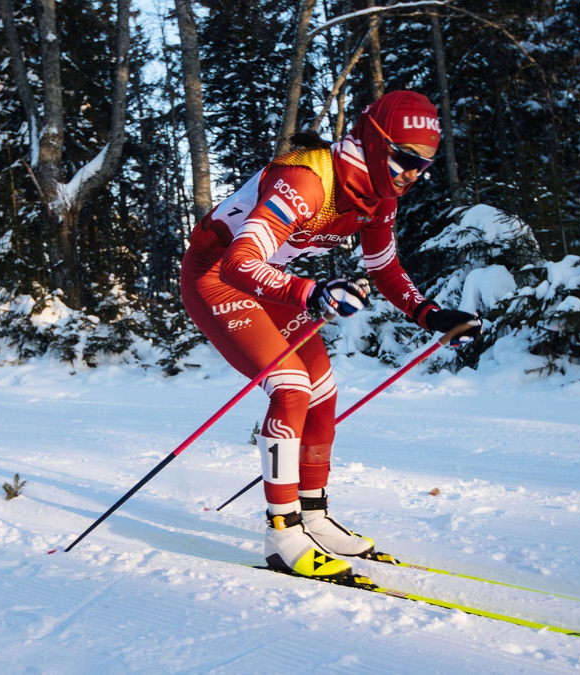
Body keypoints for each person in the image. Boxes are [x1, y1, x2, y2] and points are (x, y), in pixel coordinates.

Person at [179, 90, 481, 580]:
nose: (411, 175)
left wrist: (431, 315)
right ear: (373, 141)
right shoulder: (306, 180)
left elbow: (383, 267)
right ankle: (282, 535)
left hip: (271, 285)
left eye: (422, 166)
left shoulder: (378, 194)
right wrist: (310, 291)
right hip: (216, 276)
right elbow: (238, 262)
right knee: (292, 388)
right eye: (404, 159)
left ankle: (313, 518)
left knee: (323, 392)